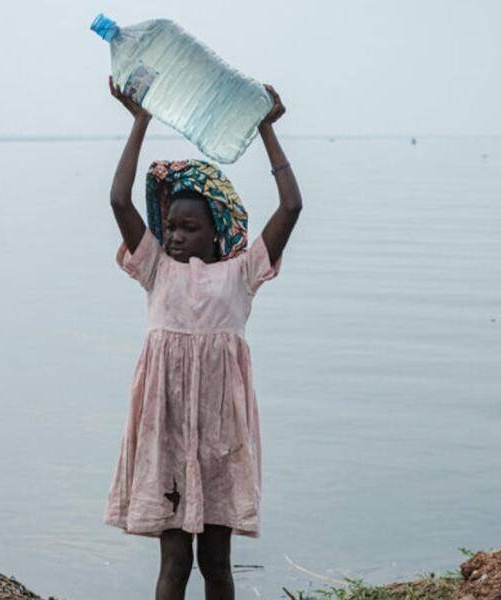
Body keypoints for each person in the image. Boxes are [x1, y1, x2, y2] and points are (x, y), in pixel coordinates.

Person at [102, 75, 303, 600]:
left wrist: (265, 130)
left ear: (216, 231)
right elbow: (120, 201)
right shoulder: (155, 270)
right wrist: (140, 122)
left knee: (216, 563)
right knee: (173, 563)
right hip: (165, 430)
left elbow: (292, 208)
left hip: (219, 436)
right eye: (170, 225)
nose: (173, 235)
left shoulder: (242, 273)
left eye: (188, 226)